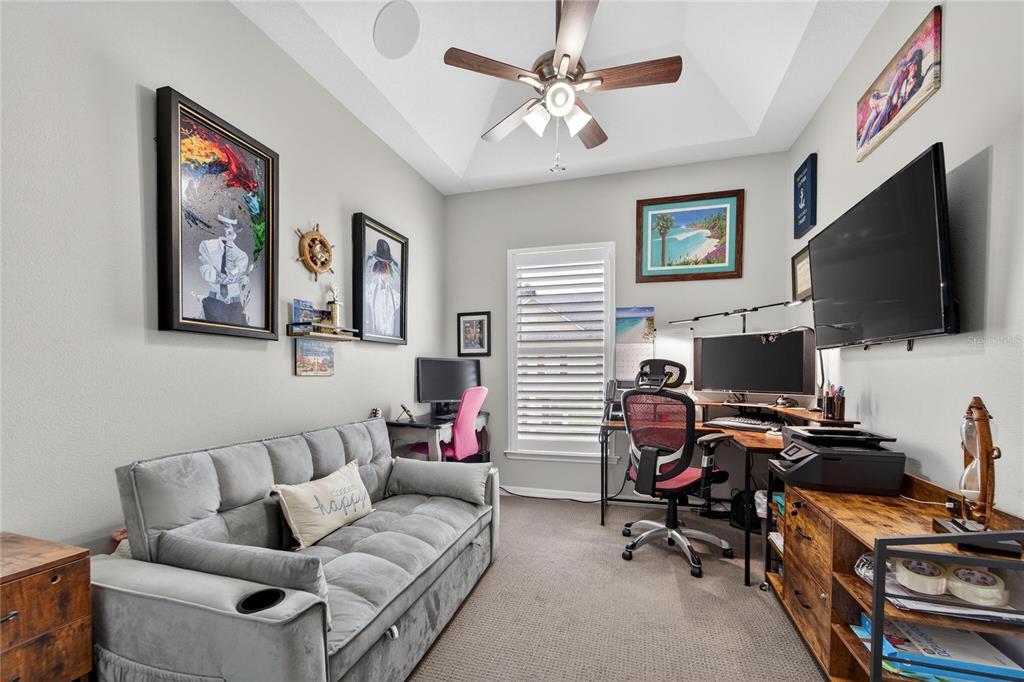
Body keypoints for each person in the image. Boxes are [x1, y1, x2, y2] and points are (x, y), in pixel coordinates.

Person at [199, 209, 253, 326]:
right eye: (225, 225)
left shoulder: (241, 255)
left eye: (231, 226)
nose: (228, 229)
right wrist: (226, 278)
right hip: (214, 302)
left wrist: (241, 279)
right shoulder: (207, 246)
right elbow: (207, 273)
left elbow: (237, 274)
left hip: (235, 305)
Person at [364, 238, 401, 337]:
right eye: (382, 264)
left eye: (387, 265)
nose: (385, 268)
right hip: (373, 336)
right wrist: (371, 258)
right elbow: (363, 276)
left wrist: (392, 262)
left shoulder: (395, 295)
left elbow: (401, 278)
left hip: (390, 337)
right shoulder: (370, 290)